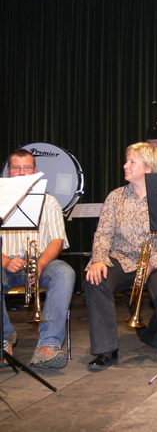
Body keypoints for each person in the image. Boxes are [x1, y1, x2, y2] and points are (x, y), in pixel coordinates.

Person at [84, 142, 157, 370]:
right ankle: (105, 349)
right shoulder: (115, 197)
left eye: (132, 161)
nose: (125, 165)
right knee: (94, 281)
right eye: (127, 160)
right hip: (121, 258)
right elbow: (103, 232)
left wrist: (152, 263)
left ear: (148, 168)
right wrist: (99, 259)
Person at [1, 149, 74, 368]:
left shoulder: (49, 202)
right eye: (16, 168)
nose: (22, 173)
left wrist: (40, 264)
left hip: (41, 262)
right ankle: (4, 337)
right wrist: (5, 261)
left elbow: (57, 240)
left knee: (65, 273)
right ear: (8, 172)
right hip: (4, 263)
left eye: (27, 168)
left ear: (36, 171)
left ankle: (48, 346)